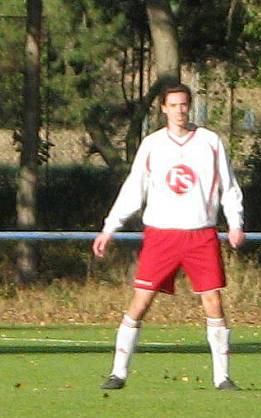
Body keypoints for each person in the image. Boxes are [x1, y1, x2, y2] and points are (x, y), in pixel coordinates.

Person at [92, 82, 245, 391]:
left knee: (213, 302)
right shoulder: (152, 145)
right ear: (163, 109)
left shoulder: (210, 142)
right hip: (161, 236)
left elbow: (227, 186)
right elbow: (134, 189)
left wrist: (235, 223)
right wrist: (110, 228)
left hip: (200, 235)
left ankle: (222, 377)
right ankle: (118, 372)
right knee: (141, 301)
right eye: (172, 105)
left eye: (183, 105)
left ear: (190, 106)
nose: (179, 110)